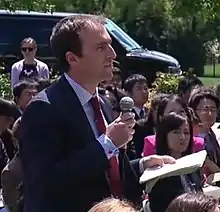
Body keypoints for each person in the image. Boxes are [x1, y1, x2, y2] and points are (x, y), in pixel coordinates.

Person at [19, 15, 175, 212]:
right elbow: (45, 182)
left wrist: (143, 165)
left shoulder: (102, 103)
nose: (112, 54)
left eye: (110, 45)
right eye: (101, 47)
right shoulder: (43, 109)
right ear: (72, 58)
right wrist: (107, 144)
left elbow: (104, 174)